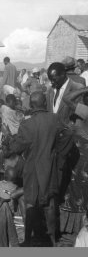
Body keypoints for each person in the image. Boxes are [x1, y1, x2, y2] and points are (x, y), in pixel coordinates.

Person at [5, 91, 73, 246]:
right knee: (50, 205)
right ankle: (53, 239)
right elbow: (69, 133)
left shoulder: (27, 124)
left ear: (31, 105)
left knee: (31, 204)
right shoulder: (55, 119)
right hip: (51, 167)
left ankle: (29, 238)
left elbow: (16, 148)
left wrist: (9, 137)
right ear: (45, 104)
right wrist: (60, 153)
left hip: (33, 170)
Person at [57, 86, 88, 246]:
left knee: (75, 190)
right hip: (80, 157)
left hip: (81, 157)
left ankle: (75, 230)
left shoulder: (85, 111)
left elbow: (67, 98)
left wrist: (84, 88)